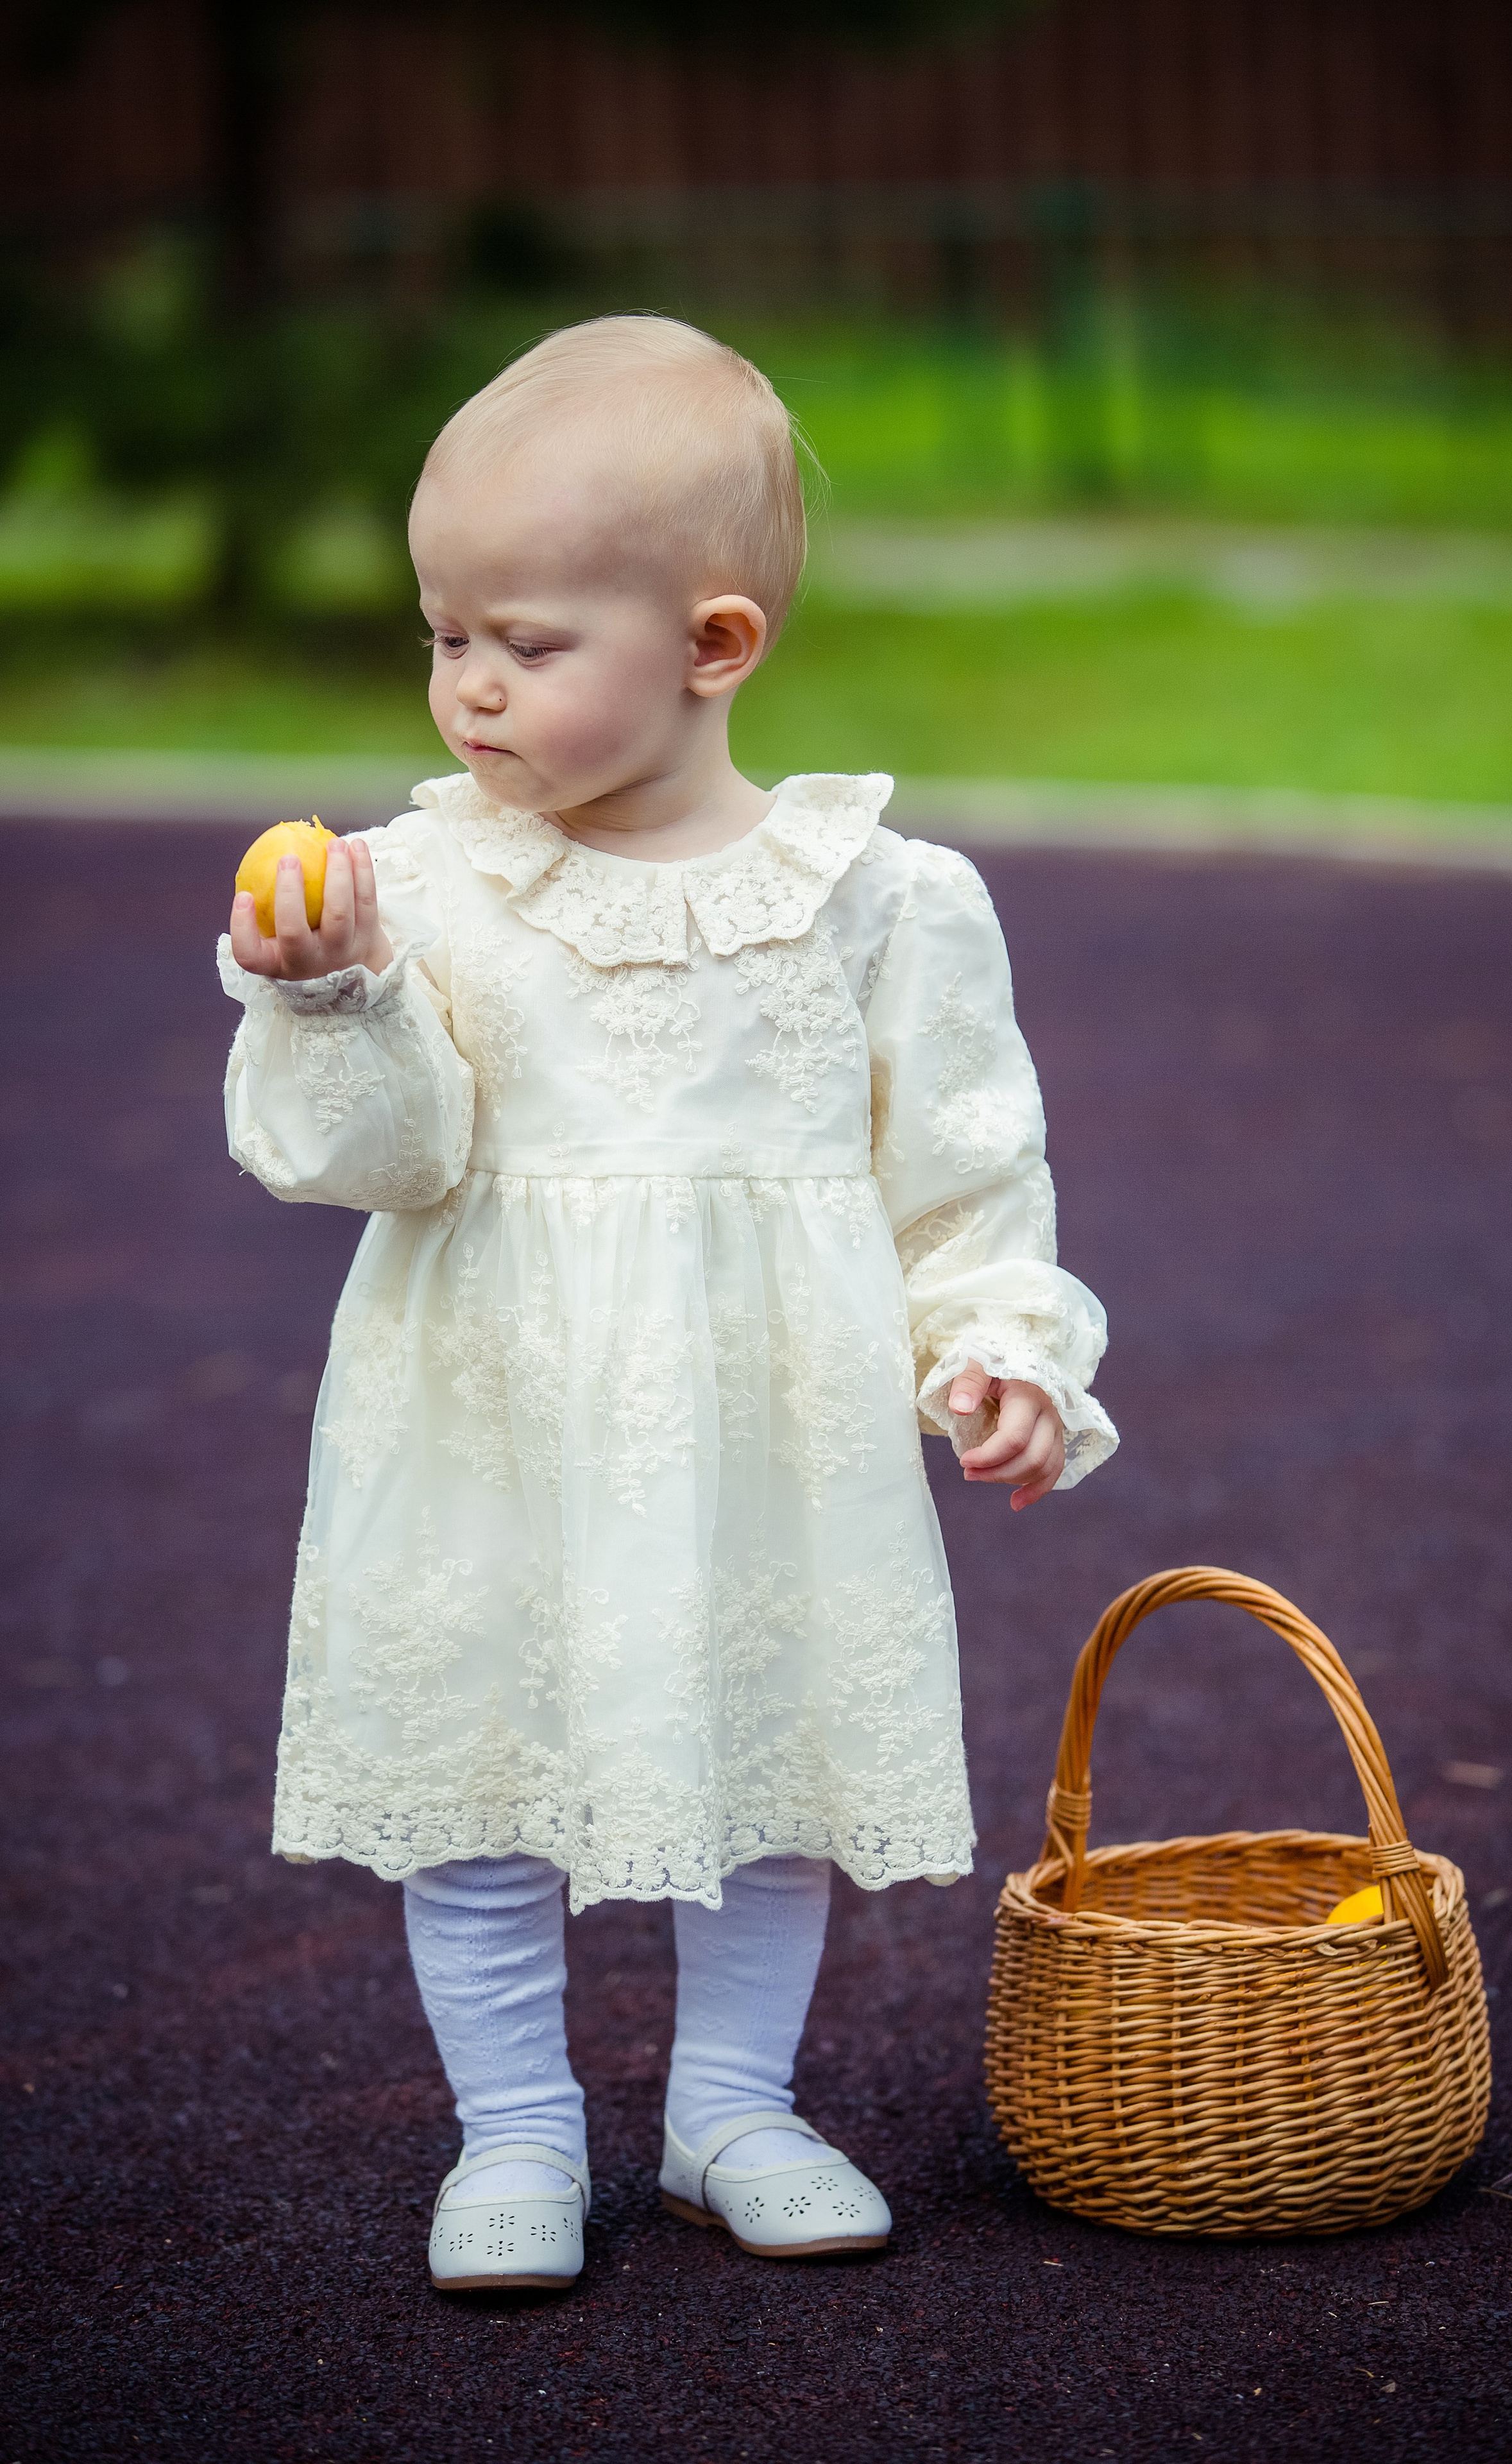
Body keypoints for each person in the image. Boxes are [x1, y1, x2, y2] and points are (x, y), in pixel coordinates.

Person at [219, 314, 1117, 2292]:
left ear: (716, 645)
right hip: (489, 1418)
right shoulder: (417, 888)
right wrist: (334, 996)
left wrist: (996, 1349)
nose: (467, 688)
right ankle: (518, 2131)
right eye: (444, 632)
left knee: (767, 1750)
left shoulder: (885, 900)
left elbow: (966, 1179)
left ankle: (731, 2109)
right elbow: (369, 1159)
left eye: (528, 646)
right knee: (477, 1772)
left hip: (760, 1441)